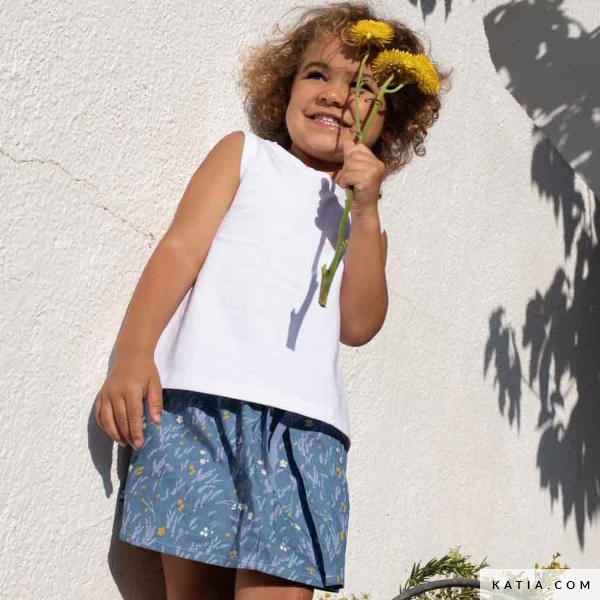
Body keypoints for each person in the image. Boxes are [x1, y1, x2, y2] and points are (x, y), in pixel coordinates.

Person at [95, 2, 447, 599]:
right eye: (317, 74)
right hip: (199, 408)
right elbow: (181, 249)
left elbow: (359, 324)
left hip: (303, 431)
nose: (336, 94)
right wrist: (133, 353)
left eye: (364, 87)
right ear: (284, 89)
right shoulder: (245, 157)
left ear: (389, 120)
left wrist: (365, 210)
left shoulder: (361, 217)